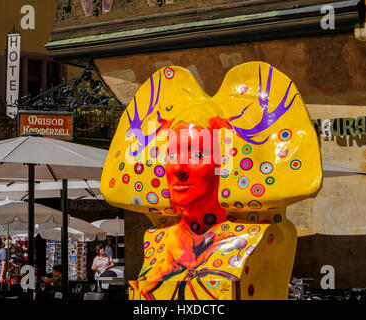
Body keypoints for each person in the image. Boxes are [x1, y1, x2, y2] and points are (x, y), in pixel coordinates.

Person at [100, 63, 322, 300]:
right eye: (171, 155)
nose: (180, 169)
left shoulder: (258, 237)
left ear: (225, 163)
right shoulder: (157, 240)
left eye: (196, 154)